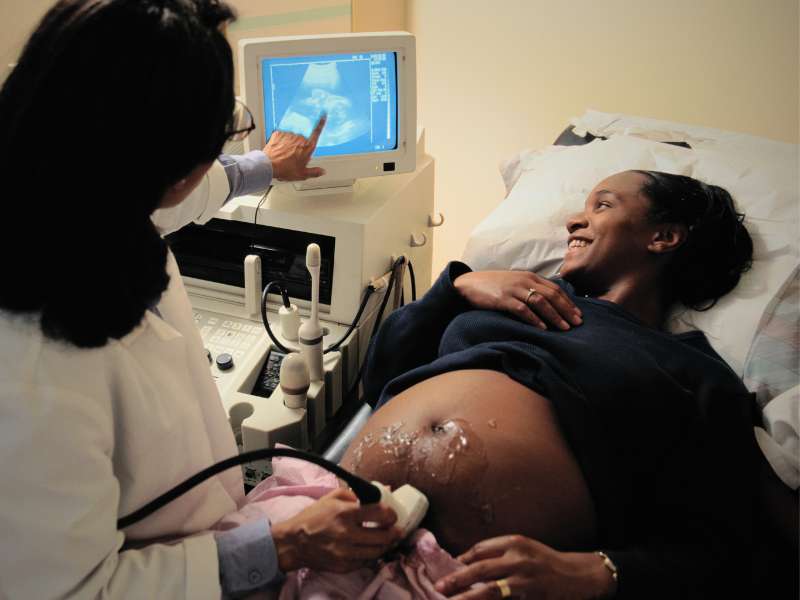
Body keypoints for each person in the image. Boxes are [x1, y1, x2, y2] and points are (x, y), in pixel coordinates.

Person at [0, 1, 400, 598]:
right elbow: (74, 591)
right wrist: (283, 546)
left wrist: (264, 165)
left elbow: (189, 191)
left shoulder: (69, 196)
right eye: (220, 133)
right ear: (160, 162)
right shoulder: (32, 376)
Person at [341, 169, 759, 599]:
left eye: (603, 205)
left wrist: (600, 571)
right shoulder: (507, 297)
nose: (574, 221)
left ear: (664, 237)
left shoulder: (695, 371)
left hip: (476, 583)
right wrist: (458, 286)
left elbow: (724, 545)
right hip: (334, 534)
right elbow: (380, 380)